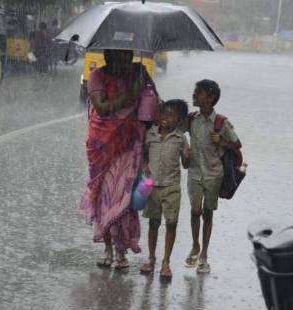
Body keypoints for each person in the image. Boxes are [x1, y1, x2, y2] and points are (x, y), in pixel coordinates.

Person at [78, 49, 157, 269]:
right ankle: (107, 248)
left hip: (130, 144)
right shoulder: (98, 76)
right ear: (109, 56)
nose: (126, 59)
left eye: (129, 55)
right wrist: (130, 93)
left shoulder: (138, 72)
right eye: (120, 55)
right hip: (102, 145)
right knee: (104, 195)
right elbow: (102, 108)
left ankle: (121, 250)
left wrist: (144, 89)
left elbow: (152, 103)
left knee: (123, 196)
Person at [184, 79, 241, 274]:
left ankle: (204, 255)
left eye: (198, 93)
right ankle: (195, 245)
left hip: (214, 174)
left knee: (208, 213)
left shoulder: (221, 122)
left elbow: (237, 144)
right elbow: (173, 127)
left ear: (210, 98)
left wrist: (222, 142)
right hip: (194, 173)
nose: (194, 96)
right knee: (195, 210)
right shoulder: (191, 119)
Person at [140, 100, 190, 279]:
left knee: (171, 223)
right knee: (153, 223)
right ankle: (151, 258)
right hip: (152, 186)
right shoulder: (150, 134)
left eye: (171, 116)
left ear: (179, 120)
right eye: (163, 114)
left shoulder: (180, 138)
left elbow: (185, 165)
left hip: (171, 187)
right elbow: (144, 153)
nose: (165, 119)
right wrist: (145, 164)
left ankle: (166, 261)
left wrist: (186, 157)